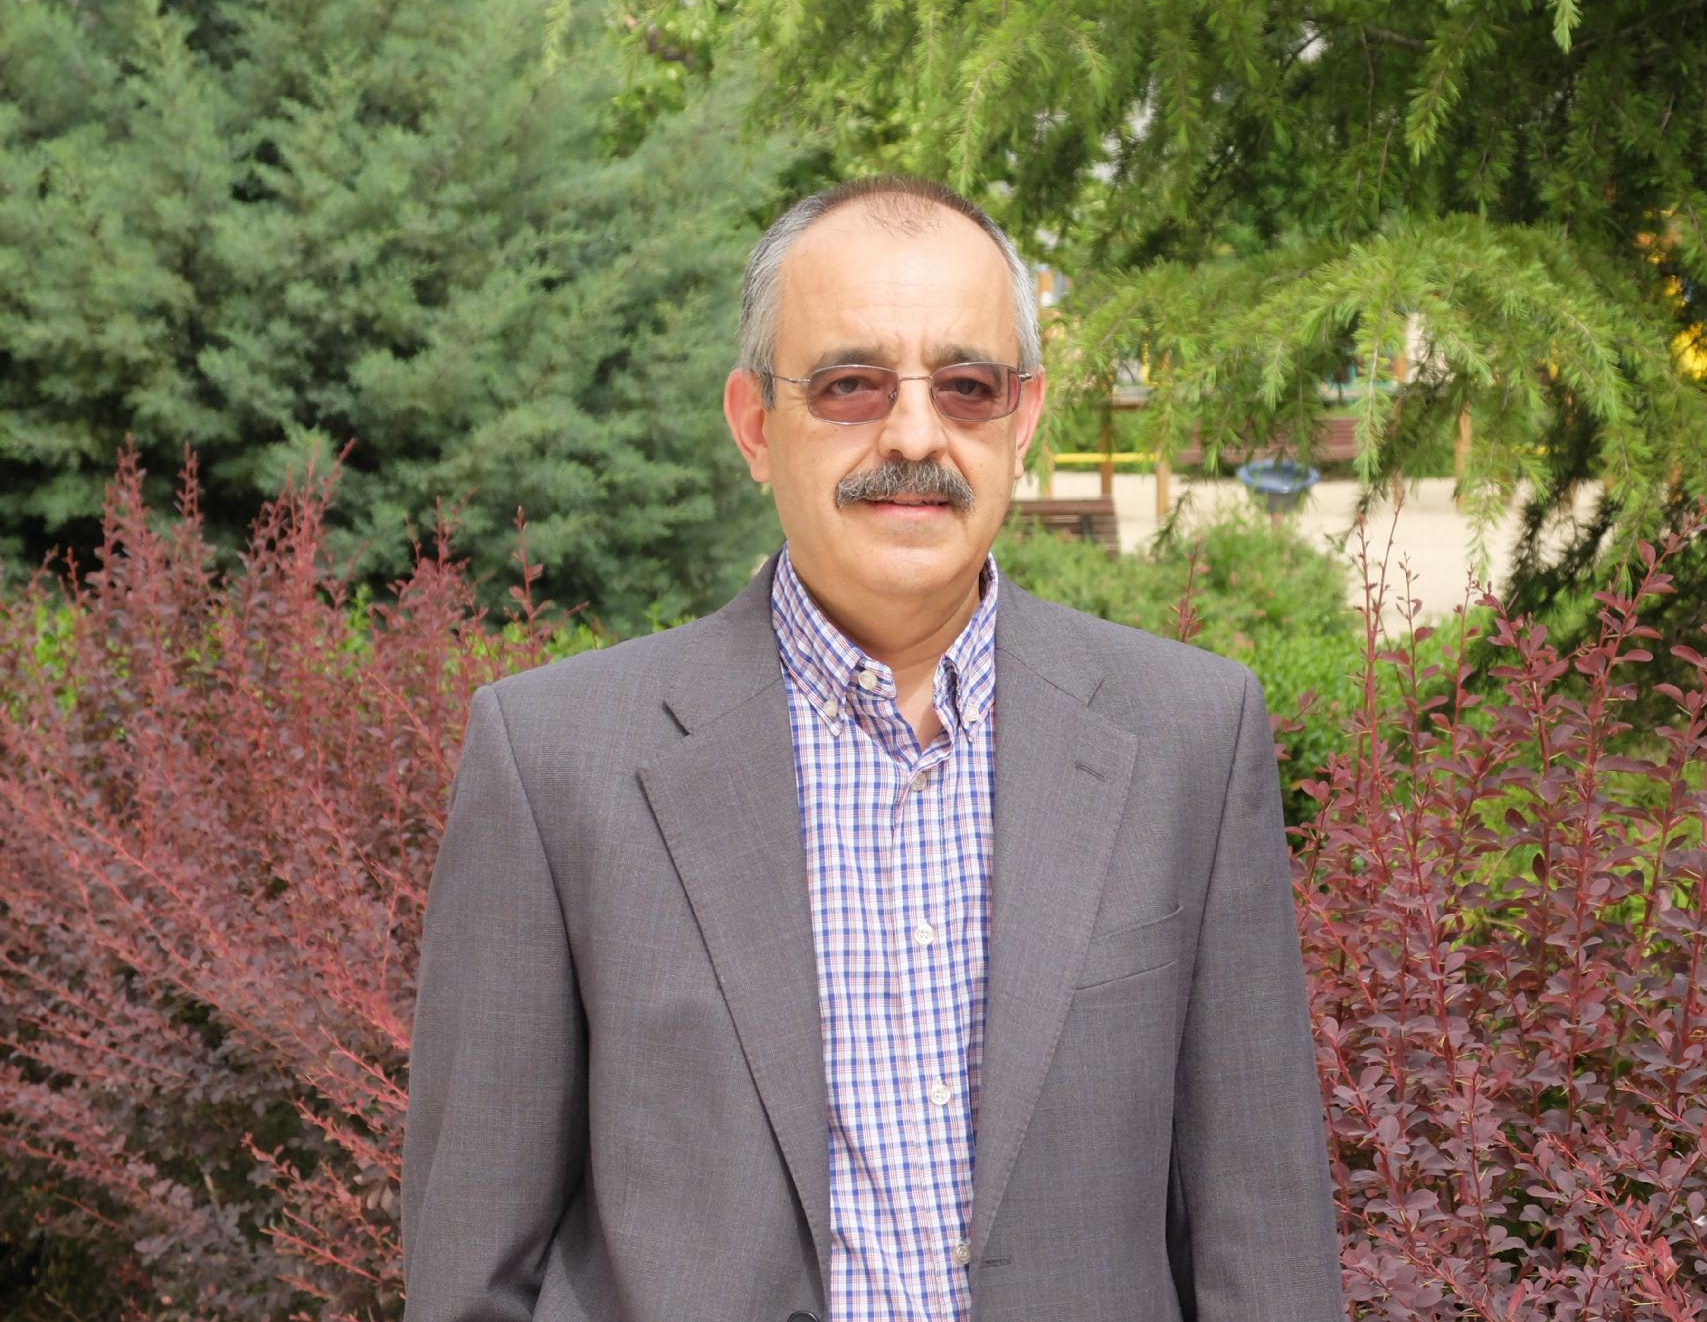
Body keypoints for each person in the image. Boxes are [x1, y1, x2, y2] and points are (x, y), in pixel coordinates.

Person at [400, 176, 1346, 1321]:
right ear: (755, 425)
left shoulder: (1188, 739)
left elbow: (1263, 1239)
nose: (913, 434)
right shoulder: (554, 764)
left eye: (966, 386)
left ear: (1022, 419)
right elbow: (473, 1266)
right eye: (849, 385)